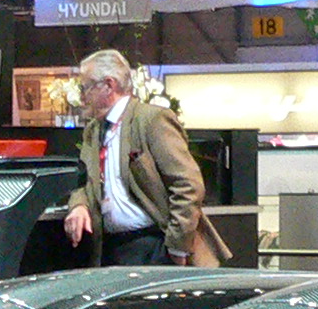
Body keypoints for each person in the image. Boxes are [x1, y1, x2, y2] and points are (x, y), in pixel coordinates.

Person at [60, 49, 226, 267]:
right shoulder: (93, 131)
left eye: (86, 88)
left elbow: (188, 185)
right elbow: (83, 181)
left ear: (108, 85)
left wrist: (177, 246)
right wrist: (79, 206)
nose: (82, 97)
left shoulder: (151, 120)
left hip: (154, 245)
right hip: (110, 248)